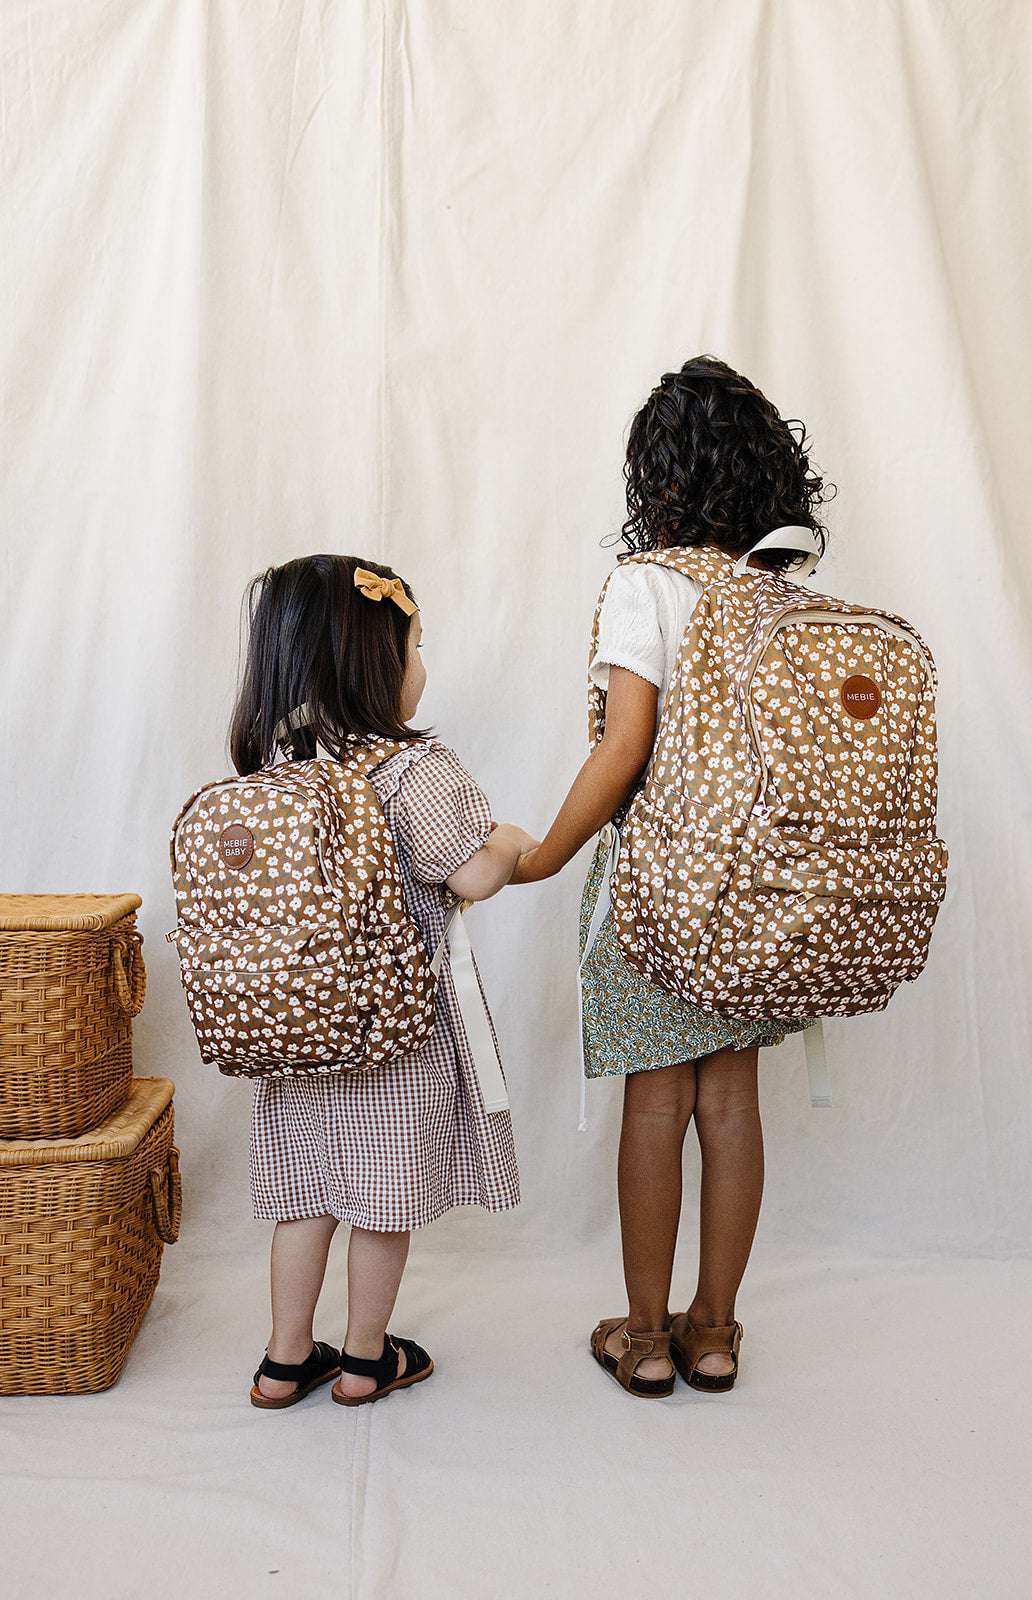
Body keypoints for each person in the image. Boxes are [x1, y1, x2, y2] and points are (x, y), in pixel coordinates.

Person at [511, 357, 828, 1397]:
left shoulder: (645, 585)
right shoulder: (777, 593)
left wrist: (546, 853)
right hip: (755, 896)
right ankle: (716, 1330)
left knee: (656, 1104)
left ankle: (645, 1335)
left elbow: (623, 747)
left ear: (657, 478)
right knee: (730, 1103)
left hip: (658, 891)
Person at [230, 555, 536, 1409]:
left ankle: (285, 1358)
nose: (423, 665)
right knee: (379, 1201)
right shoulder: (413, 766)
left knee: (308, 1200)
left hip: (296, 1029)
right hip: (394, 1033)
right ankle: (367, 1359)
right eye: (416, 645)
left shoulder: (279, 771)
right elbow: (470, 875)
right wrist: (509, 838)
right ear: (377, 660)